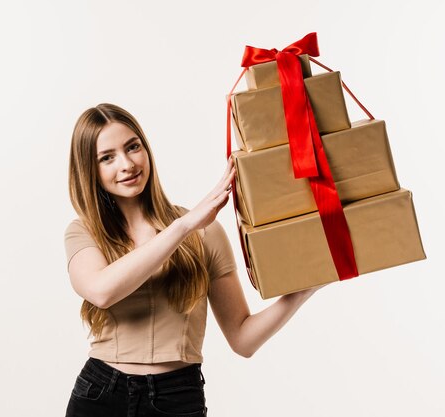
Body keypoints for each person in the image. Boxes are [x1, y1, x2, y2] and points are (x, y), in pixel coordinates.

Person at [63, 103, 323, 417]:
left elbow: (243, 340)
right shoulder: (84, 232)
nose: (127, 164)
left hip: (176, 397)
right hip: (100, 395)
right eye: (107, 157)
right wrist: (183, 226)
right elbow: (101, 291)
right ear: (90, 171)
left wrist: (302, 292)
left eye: (133, 147)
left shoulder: (206, 234)